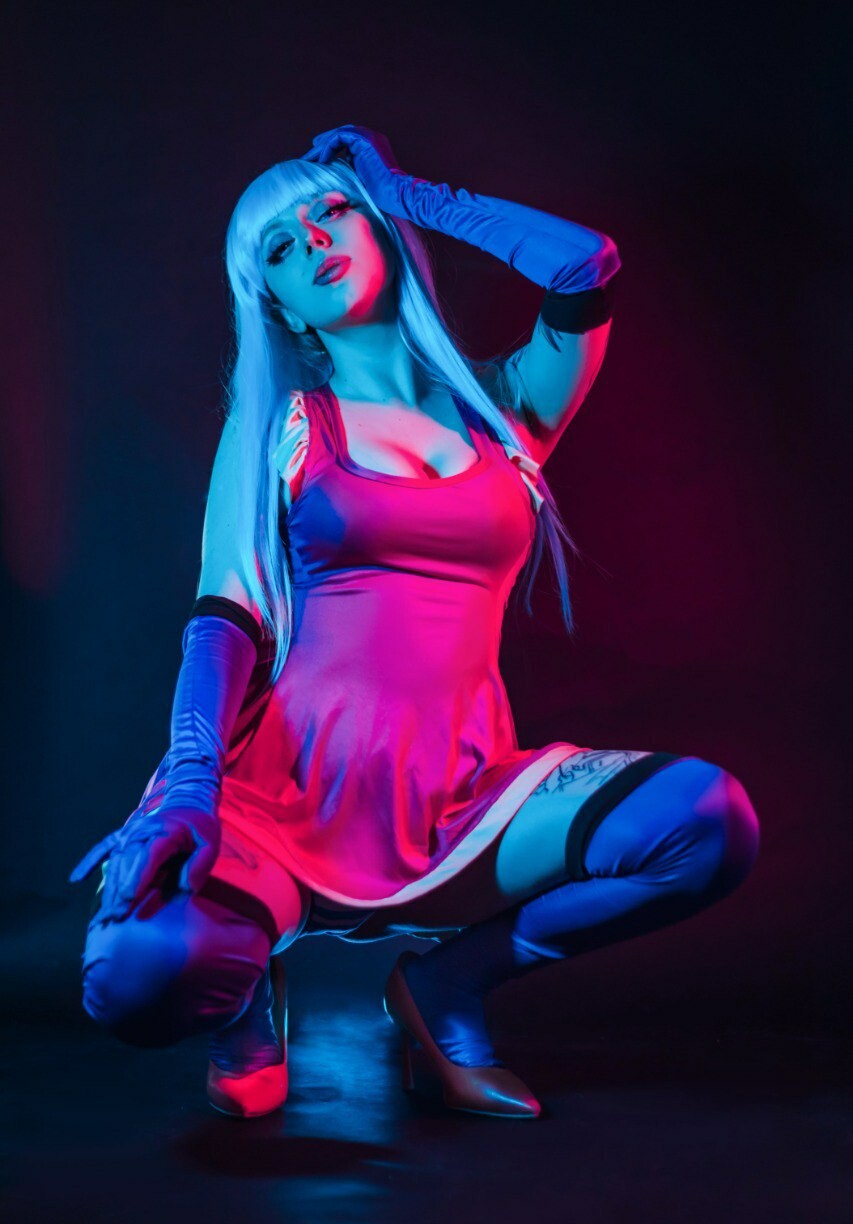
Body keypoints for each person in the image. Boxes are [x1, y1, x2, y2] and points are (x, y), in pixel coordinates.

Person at [69, 124, 760, 1121]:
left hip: (460, 798)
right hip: (285, 799)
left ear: (377, 227)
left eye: (331, 212)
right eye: (280, 247)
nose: (314, 240)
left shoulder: (505, 412)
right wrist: (189, 784)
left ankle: (442, 988)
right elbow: (225, 612)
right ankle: (242, 994)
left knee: (704, 822)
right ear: (277, 303)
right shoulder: (283, 423)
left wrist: (408, 194)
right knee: (140, 968)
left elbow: (583, 267)